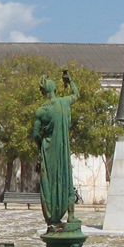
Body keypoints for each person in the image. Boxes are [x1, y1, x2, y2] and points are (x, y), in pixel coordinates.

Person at [32, 72, 79, 229]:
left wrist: (41, 148)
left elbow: (35, 134)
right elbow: (75, 94)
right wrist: (70, 81)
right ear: (55, 90)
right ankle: (71, 216)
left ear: (43, 92)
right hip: (62, 150)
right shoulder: (63, 103)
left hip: (47, 151)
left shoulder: (41, 111)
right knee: (65, 178)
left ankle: (51, 216)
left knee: (49, 181)